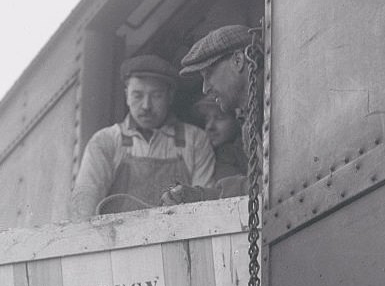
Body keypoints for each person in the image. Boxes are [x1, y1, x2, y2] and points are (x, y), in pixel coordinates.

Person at [70, 54, 215, 219]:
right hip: (119, 241)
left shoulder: (196, 140)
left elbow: (205, 209)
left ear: (170, 96)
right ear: (127, 95)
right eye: (138, 95)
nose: (146, 106)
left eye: (156, 96)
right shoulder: (105, 141)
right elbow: (84, 208)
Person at [162, 25, 262, 204]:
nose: (205, 87)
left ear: (238, 61)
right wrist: (201, 196)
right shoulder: (250, 120)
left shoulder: (281, 105)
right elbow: (260, 185)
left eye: (208, 74)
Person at [194, 94, 245, 183]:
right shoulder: (202, 153)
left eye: (219, 117)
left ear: (237, 120)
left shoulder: (238, 153)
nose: (209, 126)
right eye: (207, 119)